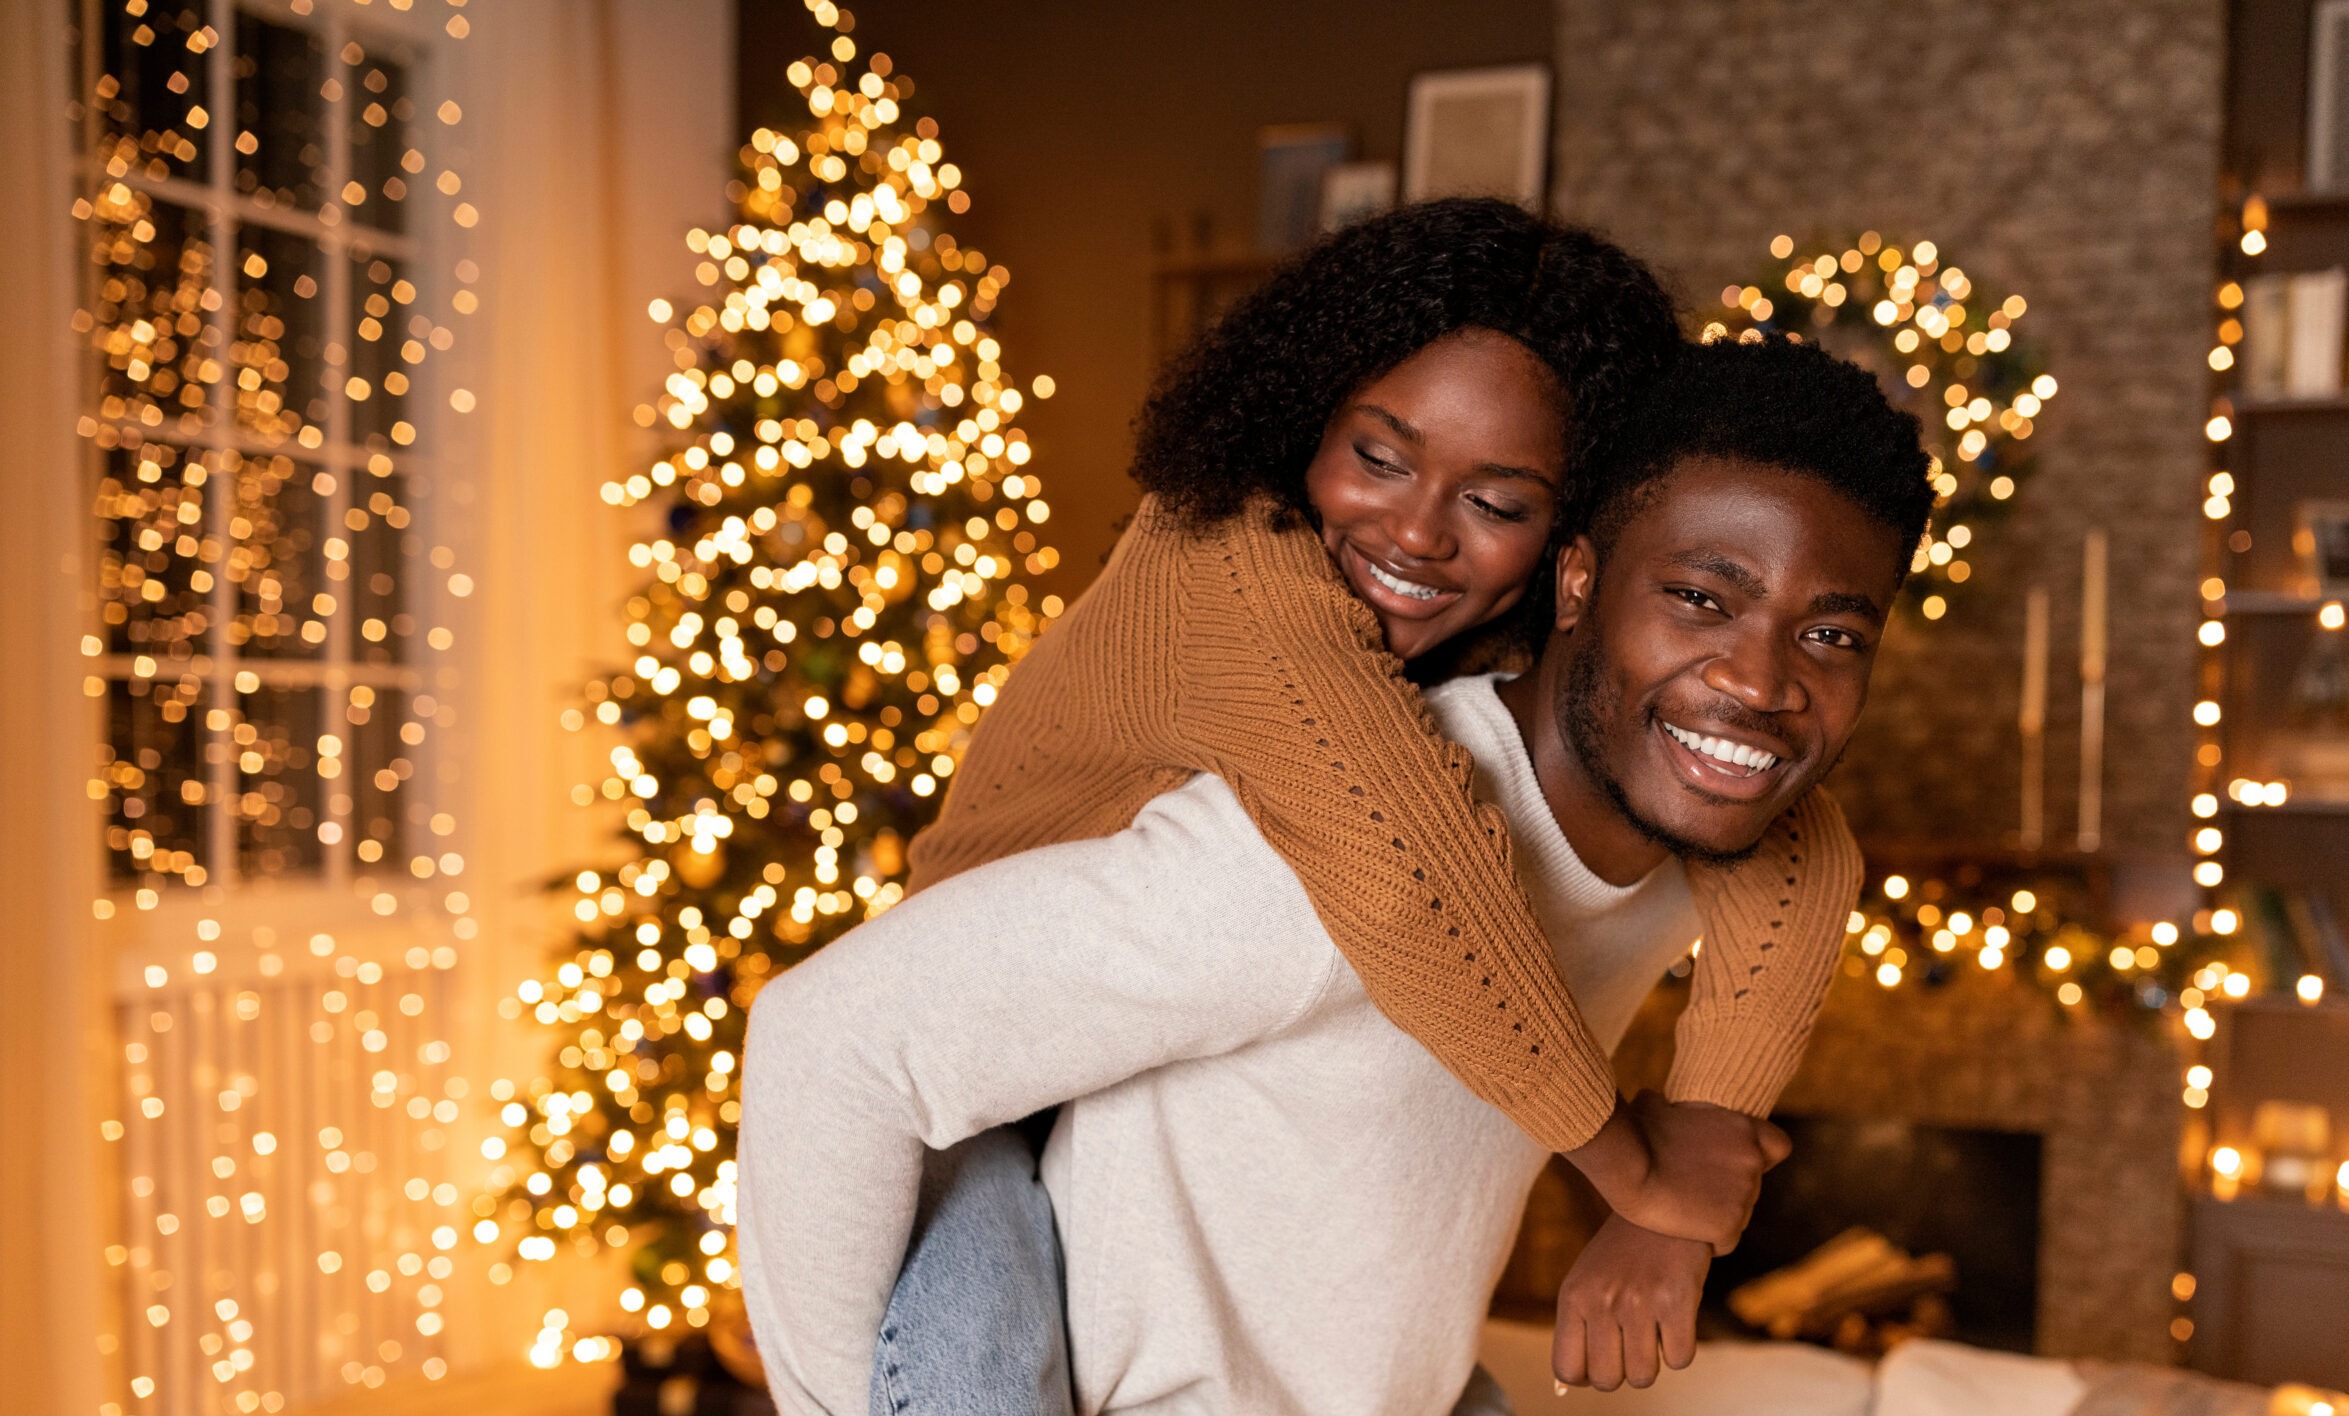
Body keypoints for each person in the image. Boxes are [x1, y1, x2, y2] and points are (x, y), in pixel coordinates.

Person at [738, 334, 1936, 1415]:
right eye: (1699, 598)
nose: (1762, 679)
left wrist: (1667, 1208)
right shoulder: (1316, 856)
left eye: (1830, 636)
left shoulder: (1700, 834)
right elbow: (829, 1041)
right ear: (1576, 581)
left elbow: (1810, 856)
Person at [907, 198, 1843, 1236]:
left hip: (1134, 1115)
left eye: (1496, 505)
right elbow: (1409, 875)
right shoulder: (1225, 563)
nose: (1413, 532)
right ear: (1306, 416)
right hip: (966, 1095)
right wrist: (1635, 1172)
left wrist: (1710, 1125)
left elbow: (1795, 844)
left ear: (1574, 538)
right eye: (1377, 457)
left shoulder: (1496, 632)